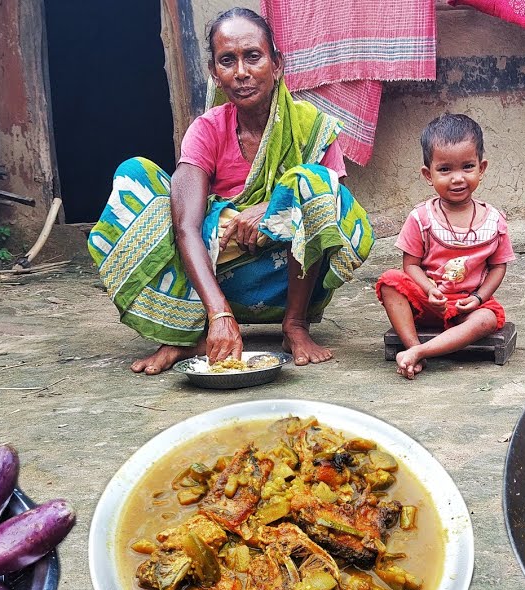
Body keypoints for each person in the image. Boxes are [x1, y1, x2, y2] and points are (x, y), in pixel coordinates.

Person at [87, 7, 372, 374]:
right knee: (134, 175)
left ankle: (295, 325)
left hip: (286, 278)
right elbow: (186, 227)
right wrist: (219, 312)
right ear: (214, 73)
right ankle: (187, 334)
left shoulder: (312, 127)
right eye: (227, 61)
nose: (241, 72)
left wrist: (271, 208)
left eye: (253, 56)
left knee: (313, 181)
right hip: (214, 279)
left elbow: (332, 206)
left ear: (277, 64)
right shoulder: (207, 130)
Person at [375, 113, 514, 380]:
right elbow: (410, 265)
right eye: (445, 169)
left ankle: (419, 352)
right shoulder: (421, 218)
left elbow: (498, 266)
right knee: (390, 281)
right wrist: (429, 290)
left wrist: (478, 298)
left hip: (466, 306)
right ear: (428, 174)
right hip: (428, 302)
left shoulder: (494, 221)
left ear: (482, 168)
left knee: (487, 319)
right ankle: (413, 346)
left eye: (468, 167)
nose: (457, 178)